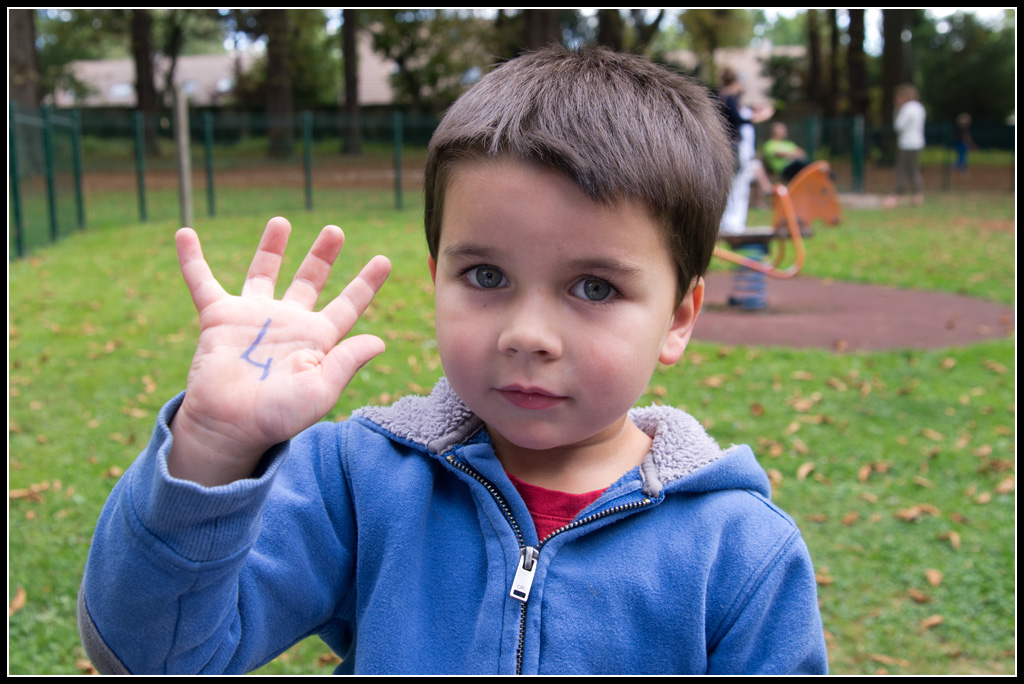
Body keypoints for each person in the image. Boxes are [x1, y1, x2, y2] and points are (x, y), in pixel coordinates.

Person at [77, 46, 828, 675]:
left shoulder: (740, 554)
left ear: (679, 317)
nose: (527, 333)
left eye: (594, 287)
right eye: (486, 277)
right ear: (437, 274)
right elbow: (152, 656)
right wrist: (213, 447)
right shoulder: (358, 483)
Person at [885, 83, 926, 207]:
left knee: (902, 169)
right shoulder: (919, 107)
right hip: (918, 142)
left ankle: (896, 195)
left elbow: (898, 126)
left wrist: (896, 110)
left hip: (906, 143)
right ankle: (918, 196)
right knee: (914, 170)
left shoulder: (906, 108)